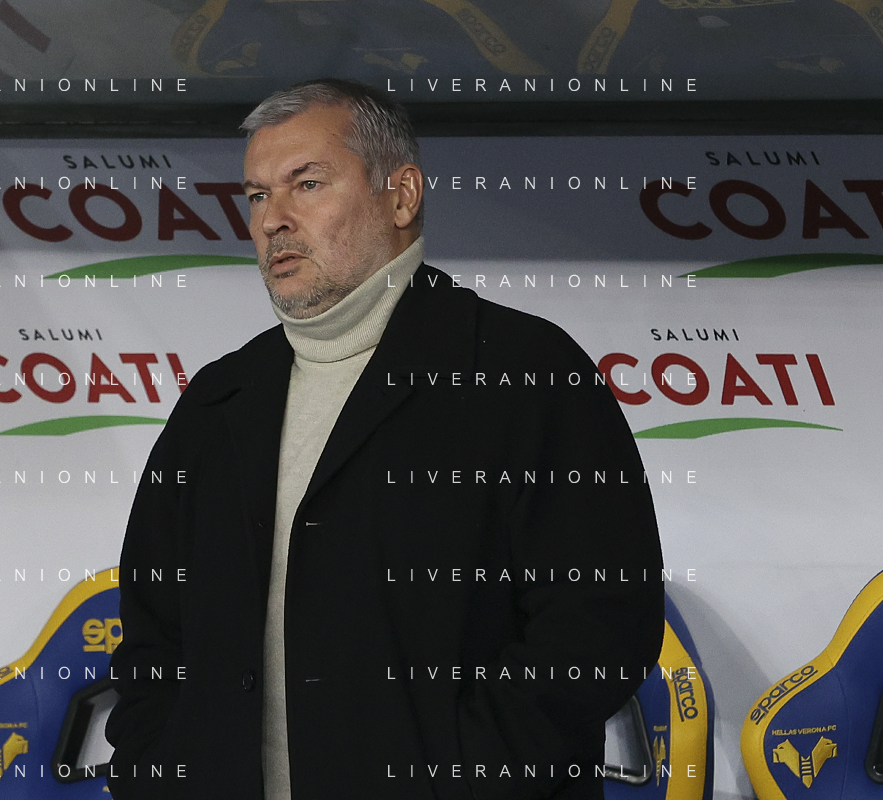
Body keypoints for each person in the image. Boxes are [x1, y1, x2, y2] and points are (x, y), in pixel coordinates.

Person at [105, 78, 664, 800]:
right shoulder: (217, 402)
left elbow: (598, 627)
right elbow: (154, 635)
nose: (273, 220)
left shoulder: (525, 374)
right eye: (256, 195)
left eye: (306, 184)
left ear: (401, 197)